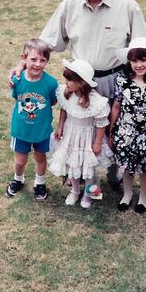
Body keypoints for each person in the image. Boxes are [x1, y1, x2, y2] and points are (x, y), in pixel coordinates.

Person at [10, 0, 146, 190]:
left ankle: (117, 172)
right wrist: (22, 63)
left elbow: (142, 45)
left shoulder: (127, 5)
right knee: (79, 126)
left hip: (116, 78)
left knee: (117, 126)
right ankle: (80, 174)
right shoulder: (69, 5)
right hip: (80, 81)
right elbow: (46, 42)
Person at [109, 38, 146, 214]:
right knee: (127, 167)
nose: (139, 65)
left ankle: (144, 196)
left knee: (143, 168)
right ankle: (127, 194)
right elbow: (116, 106)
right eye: (134, 60)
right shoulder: (122, 80)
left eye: (143, 60)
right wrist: (112, 131)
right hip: (125, 133)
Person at [48, 59, 113, 209]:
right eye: (66, 78)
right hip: (71, 134)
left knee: (88, 167)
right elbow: (65, 109)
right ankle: (75, 190)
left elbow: (101, 123)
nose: (66, 82)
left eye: (70, 80)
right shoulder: (67, 93)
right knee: (72, 163)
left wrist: (97, 143)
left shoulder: (95, 101)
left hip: (87, 137)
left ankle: (88, 194)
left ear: (82, 82)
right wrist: (60, 126)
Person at [6, 39, 58, 200]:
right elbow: (17, 99)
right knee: (20, 160)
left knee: (40, 157)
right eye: (33, 59)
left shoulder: (51, 83)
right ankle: (18, 179)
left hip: (41, 130)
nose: (37, 64)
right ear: (24, 58)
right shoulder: (17, 80)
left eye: (42, 60)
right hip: (21, 130)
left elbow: (53, 101)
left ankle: (40, 183)